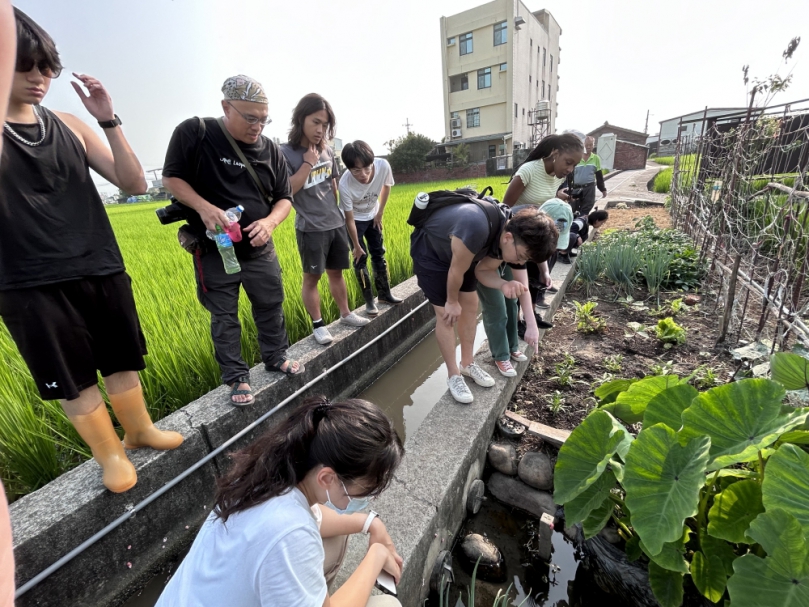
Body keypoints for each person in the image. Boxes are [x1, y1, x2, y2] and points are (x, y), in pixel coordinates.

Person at [0, 9, 183, 493]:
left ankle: (139, 430)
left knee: (122, 357)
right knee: (72, 376)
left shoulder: (69, 124)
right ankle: (111, 456)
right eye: (24, 66)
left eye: (46, 68)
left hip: (99, 261)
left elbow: (132, 182)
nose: (39, 79)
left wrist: (107, 119)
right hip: (29, 280)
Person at [155, 395, 404, 607]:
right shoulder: (292, 533)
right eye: (363, 491)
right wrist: (377, 555)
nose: (364, 499)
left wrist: (371, 523)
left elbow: (317, 518)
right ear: (327, 478)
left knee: (337, 537)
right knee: (387, 605)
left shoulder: (267, 475)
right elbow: (293, 533)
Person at [163, 75, 304, 407]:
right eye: (250, 118)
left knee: (270, 303)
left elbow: (284, 198)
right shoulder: (196, 133)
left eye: (264, 119)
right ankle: (237, 377)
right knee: (224, 315)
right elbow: (171, 178)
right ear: (226, 107)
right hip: (215, 248)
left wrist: (269, 222)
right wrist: (204, 207)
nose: (258, 126)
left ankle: (276, 356)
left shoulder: (270, 149)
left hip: (259, 247)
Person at [411, 199, 558, 403]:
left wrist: (503, 284)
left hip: (462, 255)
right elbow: (455, 271)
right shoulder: (476, 229)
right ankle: (453, 375)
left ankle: (467, 364)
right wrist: (452, 301)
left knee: (471, 305)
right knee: (447, 314)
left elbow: (483, 270)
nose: (520, 262)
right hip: (432, 254)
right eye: (522, 256)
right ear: (508, 238)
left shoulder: (507, 234)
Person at [281, 94, 370, 346]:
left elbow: (333, 185)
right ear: (301, 119)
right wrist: (307, 164)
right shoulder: (285, 153)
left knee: (337, 273)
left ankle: (346, 314)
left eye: (325, 124)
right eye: (315, 122)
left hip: (335, 223)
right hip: (310, 228)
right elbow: (287, 190)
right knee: (312, 278)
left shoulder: (327, 150)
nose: (320, 129)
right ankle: (318, 325)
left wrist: (339, 215)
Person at [503, 133, 583, 314]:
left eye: (574, 165)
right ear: (555, 153)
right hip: (520, 241)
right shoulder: (528, 171)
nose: (570, 169)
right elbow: (504, 209)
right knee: (518, 288)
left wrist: (557, 197)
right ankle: (518, 321)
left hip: (539, 237)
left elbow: (545, 204)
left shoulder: (558, 177)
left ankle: (531, 314)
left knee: (537, 280)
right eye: (568, 162)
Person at [338, 140, 402, 316]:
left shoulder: (383, 166)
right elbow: (349, 219)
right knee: (360, 258)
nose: (363, 174)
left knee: (379, 253)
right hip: (354, 220)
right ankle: (369, 302)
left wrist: (379, 213)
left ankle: (385, 295)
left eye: (367, 168)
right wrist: (356, 245)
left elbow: (387, 187)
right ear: (349, 169)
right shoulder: (344, 184)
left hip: (373, 214)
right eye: (356, 171)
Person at [567, 136, 607, 216]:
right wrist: (569, 190)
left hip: (589, 188)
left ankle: (582, 221)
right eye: (586, 145)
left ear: (593, 145)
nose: (588, 147)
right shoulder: (577, 157)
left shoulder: (596, 158)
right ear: (583, 145)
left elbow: (599, 176)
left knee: (586, 209)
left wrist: (603, 189)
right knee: (572, 209)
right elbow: (569, 175)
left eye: (591, 145)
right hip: (576, 188)